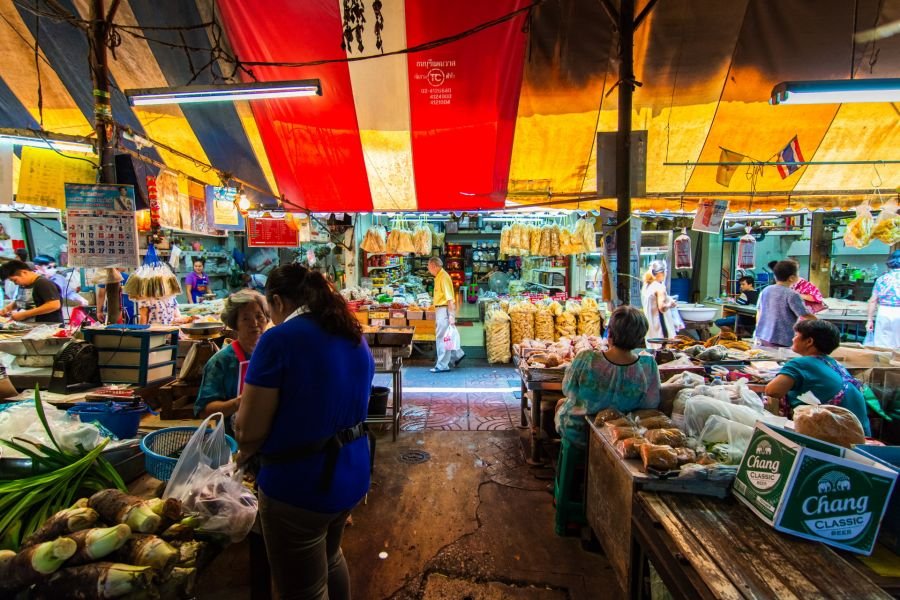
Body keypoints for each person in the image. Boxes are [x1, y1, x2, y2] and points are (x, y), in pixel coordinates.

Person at [234, 264, 374, 600]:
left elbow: (249, 433)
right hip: (351, 472)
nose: (268, 320)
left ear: (278, 302)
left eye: (268, 311)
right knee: (330, 556)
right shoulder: (352, 334)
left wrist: (239, 425)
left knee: (304, 590)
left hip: (300, 486)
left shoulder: (278, 340)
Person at [555, 306, 661, 448]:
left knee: (562, 403)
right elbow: (650, 404)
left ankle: (566, 459)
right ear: (641, 338)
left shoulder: (587, 358)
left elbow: (568, 390)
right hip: (622, 437)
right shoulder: (648, 365)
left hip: (578, 433)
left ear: (609, 333)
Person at [765, 320, 871, 436]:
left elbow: (772, 391)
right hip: (861, 435)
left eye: (796, 335)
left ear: (809, 341)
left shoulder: (801, 363)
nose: (792, 339)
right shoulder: (833, 363)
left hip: (836, 437)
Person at [195, 290, 269, 436]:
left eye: (259, 316)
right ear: (235, 324)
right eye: (246, 319)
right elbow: (204, 410)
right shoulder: (221, 362)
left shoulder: (272, 355)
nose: (254, 324)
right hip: (232, 441)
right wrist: (239, 402)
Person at [755, 260, 815, 348]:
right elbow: (805, 315)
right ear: (792, 278)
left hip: (762, 336)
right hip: (782, 339)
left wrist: (758, 327)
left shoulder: (766, 290)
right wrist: (823, 324)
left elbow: (759, 312)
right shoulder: (792, 294)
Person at [428, 257, 464, 373]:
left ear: (434, 266)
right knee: (447, 336)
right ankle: (458, 355)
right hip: (440, 310)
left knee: (442, 338)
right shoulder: (438, 277)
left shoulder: (443, 277)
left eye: (429, 267)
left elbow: (450, 299)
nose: (428, 270)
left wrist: (452, 315)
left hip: (444, 310)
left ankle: (442, 365)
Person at [866, 250, 900, 348]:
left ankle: (883, 363)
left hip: (884, 312)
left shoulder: (881, 279)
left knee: (882, 346)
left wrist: (869, 320)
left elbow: (873, 300)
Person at [640, 260, 677, 341]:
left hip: (649, 326)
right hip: (660, 327)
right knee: (663, 349)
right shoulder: (659, 288)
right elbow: (662, 308)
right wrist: (671, 303)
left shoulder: (646, 286)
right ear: (661, 273)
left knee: (652, 349)